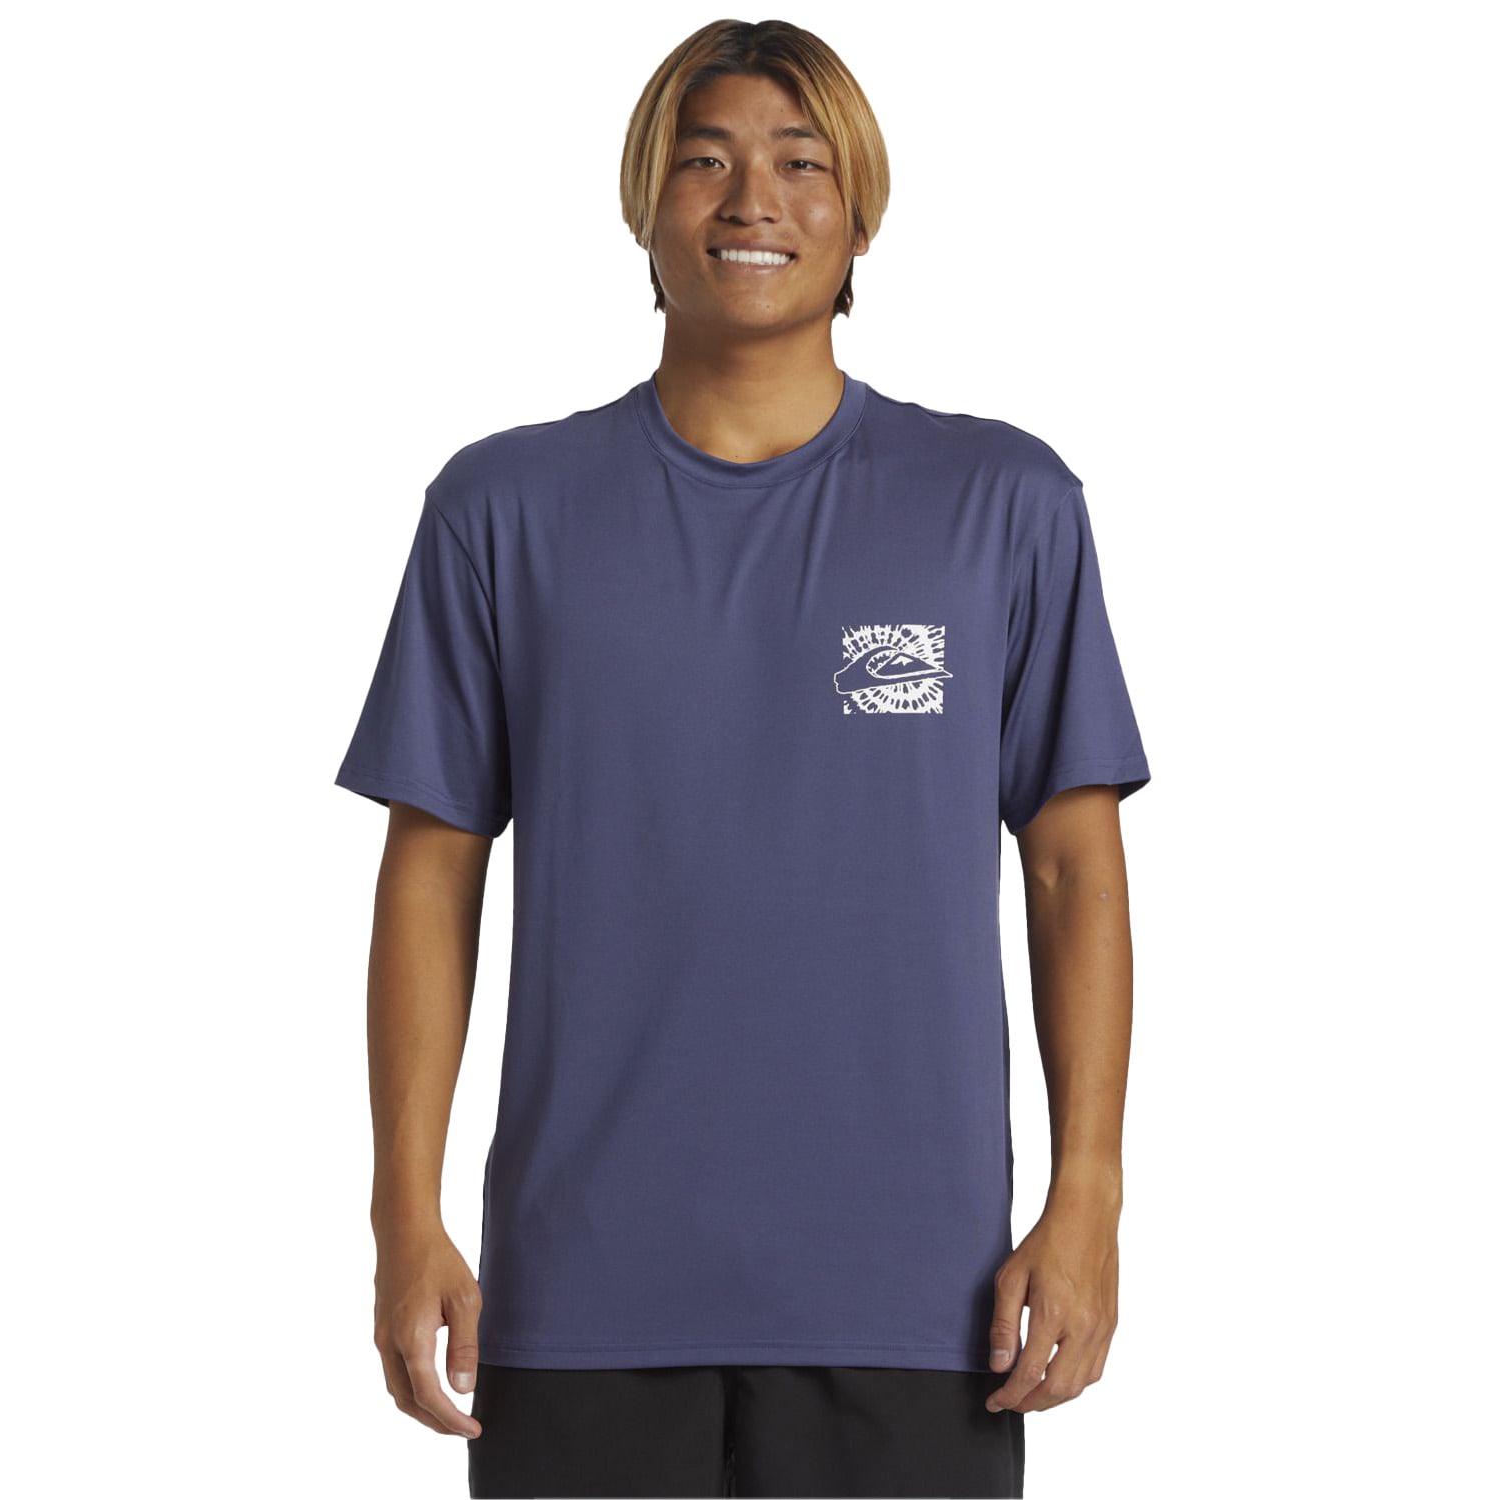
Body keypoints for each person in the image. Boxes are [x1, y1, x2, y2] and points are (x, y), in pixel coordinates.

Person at [334, 18, 1151, 1499]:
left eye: (800, 164)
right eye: (704, 162)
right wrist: (405, 1215)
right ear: (645, 202)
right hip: (579, 1299)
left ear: (860, 213)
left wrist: (1086, 1191)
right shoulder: (501, 510)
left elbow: (1073, 866)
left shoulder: (1001, 505)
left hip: (922, 1304)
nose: (752, 201)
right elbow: (430, 874)